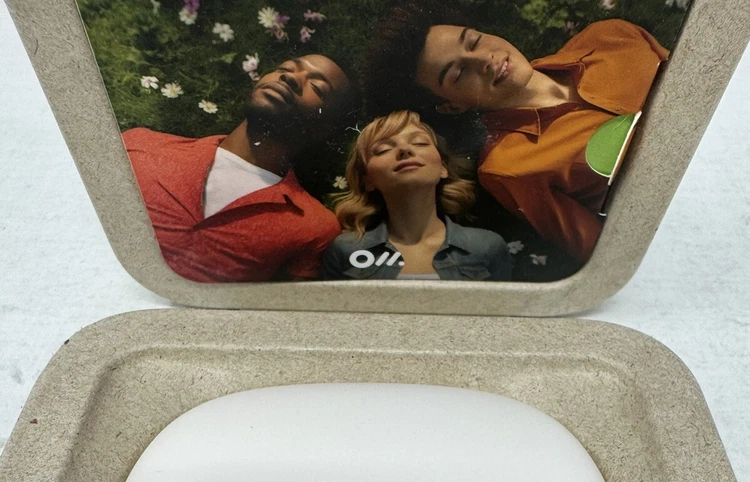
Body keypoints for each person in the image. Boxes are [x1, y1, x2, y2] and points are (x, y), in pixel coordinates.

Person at [365, 8, 668, 262]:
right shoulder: (507, 168)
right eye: (458, 73)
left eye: (474, 41)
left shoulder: (610, 35)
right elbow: (607, 251)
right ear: (452, 106)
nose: (484, 60)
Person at [123, 55, 356, 282]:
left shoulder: (313, 227)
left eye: (317, 87)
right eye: (285, 68)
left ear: (326, 128)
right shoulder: (139, 145)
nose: (291, 78)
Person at [321, 110, 510, 281]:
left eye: (420, 143)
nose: (405, 150)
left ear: (443, 168)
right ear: (367, 180)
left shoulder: (486, 247)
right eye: (383, 149)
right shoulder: (346, 250)